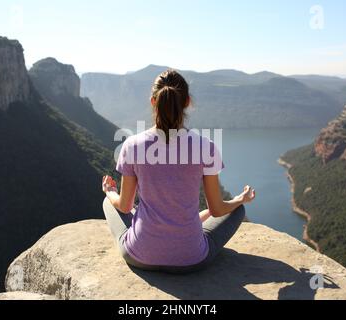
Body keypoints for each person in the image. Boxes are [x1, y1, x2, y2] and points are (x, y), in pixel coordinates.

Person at [102, 69, 256, 273]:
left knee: (109, 203)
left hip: (140, 256)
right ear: (187, 102)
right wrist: (240, 199)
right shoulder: (205, 146)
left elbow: (124, 205)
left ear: (153, 102)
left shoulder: (132, 146)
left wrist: (108, 191)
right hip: (191, 259)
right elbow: (218, 209)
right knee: (237, 210)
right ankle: (188, 232)